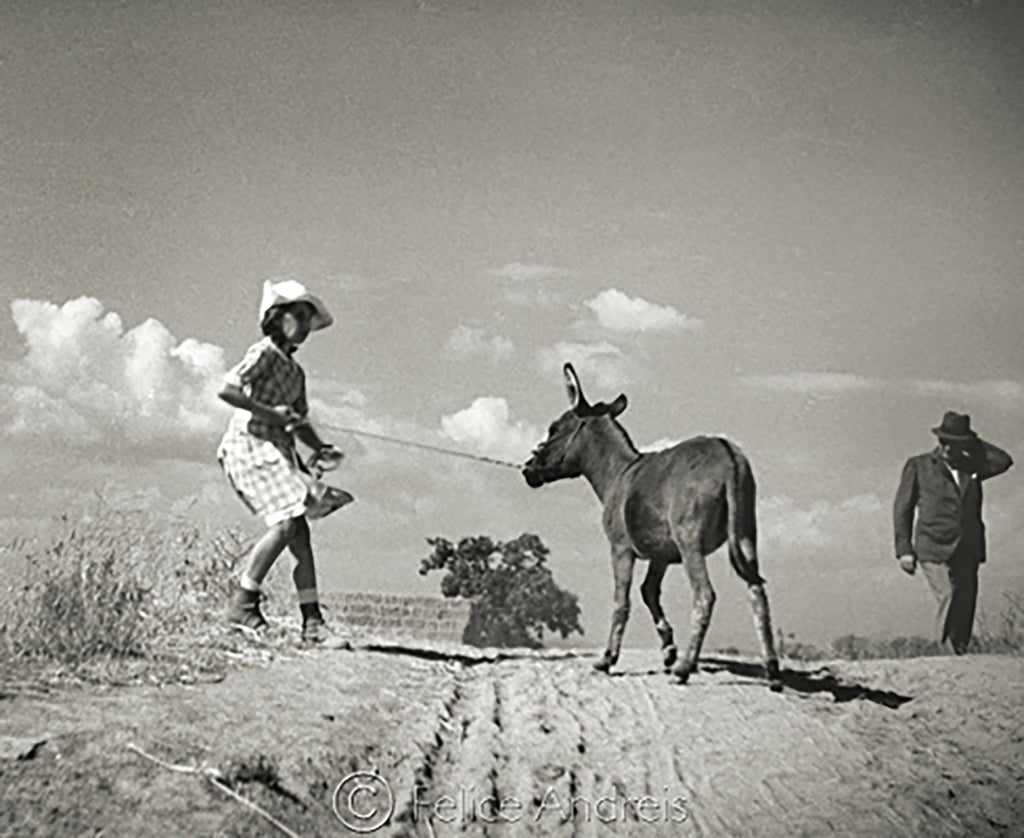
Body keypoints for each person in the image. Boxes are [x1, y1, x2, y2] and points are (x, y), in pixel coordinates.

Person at [217, 278, 348, 644]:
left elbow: (298, 421)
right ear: (277, 318)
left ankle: (312, 622)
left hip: (278, 451)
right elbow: (228, 389)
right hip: (249, 446)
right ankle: (243, 602)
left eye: (309, 319)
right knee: (288, 521)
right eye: (298, 316)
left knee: (299, 533)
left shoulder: (296, 373)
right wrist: (270, 413)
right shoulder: (263, 353)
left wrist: (320, 447)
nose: (305, 325)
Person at [893, 411, 1013, 654]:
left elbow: (1003, 461)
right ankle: (947, 654)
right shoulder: (919, 465)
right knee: (948, 594)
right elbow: (902, 508)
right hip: (932, 544)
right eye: (944, 441)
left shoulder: (972, 467)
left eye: (954, 443)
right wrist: (904, 549)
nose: (947, 447)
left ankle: (960, 652)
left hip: (967, 545)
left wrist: (972, 442)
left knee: (966, 599)